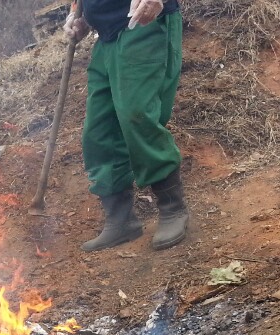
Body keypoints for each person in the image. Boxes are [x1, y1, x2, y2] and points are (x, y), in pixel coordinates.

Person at [64, 0, 188, 252]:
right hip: (106, 37)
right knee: (99, 129)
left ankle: (172, 207)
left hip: (144, 23)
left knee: (137, 115)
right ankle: (120, 220)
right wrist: (79, 14)